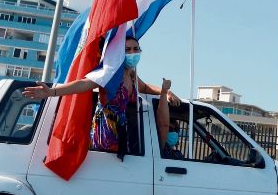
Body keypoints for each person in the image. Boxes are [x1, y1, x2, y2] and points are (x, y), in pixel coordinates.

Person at [23, 36, 180, 159]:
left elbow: (145, 88)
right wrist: (51, 92)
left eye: (135, 49)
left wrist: (165, 92)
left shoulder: (131, 74)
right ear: (119, 52)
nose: (133, 53)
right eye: (128, 49)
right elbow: (85, 84)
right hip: (104, 136)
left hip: (123, 136)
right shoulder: (111, 72)